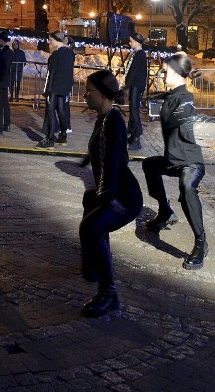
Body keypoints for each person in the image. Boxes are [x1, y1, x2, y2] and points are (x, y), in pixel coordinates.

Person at [77, 70, 143, 317]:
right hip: (112, 189)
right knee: (88, 201)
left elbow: (114, 160)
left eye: (89, 91)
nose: (85, 95)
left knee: (90, 227)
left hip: (124, 197)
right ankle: (93, 266)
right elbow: (100, 152)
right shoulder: (104, 117)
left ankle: (109, 293)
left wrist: (107, 196)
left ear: (103, 94)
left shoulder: (113, 121)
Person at [142, 53, 209, 270]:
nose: (162, 74)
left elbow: (185, 109)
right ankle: (165, 212)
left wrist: (181, 116)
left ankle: (200, 242)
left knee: (187, 187)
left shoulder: (185, 98)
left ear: (179, 74)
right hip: (173, 159)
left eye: (166, 71)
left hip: (190, 161)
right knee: (150, 165)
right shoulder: (171, 95)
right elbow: (163, 103)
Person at [37, 30, 75, 148]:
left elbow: (51, 74)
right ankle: (63, 136)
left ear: (57, 40)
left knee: (50, 111)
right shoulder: (70, 54)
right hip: (64, 88)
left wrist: (47, 89)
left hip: (54, 88)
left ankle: (50, 138)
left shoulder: (56, 55)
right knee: (62, 110)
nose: (50, 42)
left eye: (51, 40)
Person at [124, 32, 148, 150]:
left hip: (136, 85)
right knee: (133, 109)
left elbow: (134, 72)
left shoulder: (140, 55)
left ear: (137, 42)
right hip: (135, 85)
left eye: (131, 41)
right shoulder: (137, 54)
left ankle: (136, 136)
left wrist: (127, 86)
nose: (129, 43)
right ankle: (133, 133)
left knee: (134, 110)